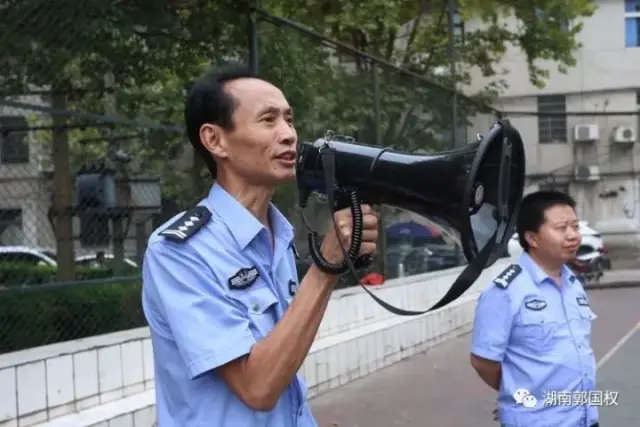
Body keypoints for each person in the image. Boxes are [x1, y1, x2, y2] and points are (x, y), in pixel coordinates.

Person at [141, 65, 379, 427]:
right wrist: (327, 264)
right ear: (215, 140)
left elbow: (284, 365)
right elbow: (258, 388)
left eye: (289, 119)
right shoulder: (179, 251)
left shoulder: (277, 236)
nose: (288, 135)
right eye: (268, 120)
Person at [469, 190, 599, 427]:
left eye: (575, 226)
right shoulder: (505, 292)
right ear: (532, 238)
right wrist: (520, 394)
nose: (573, 236)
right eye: (561, 228)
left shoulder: (573, 285)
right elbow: (483, 361)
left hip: (584, 418)